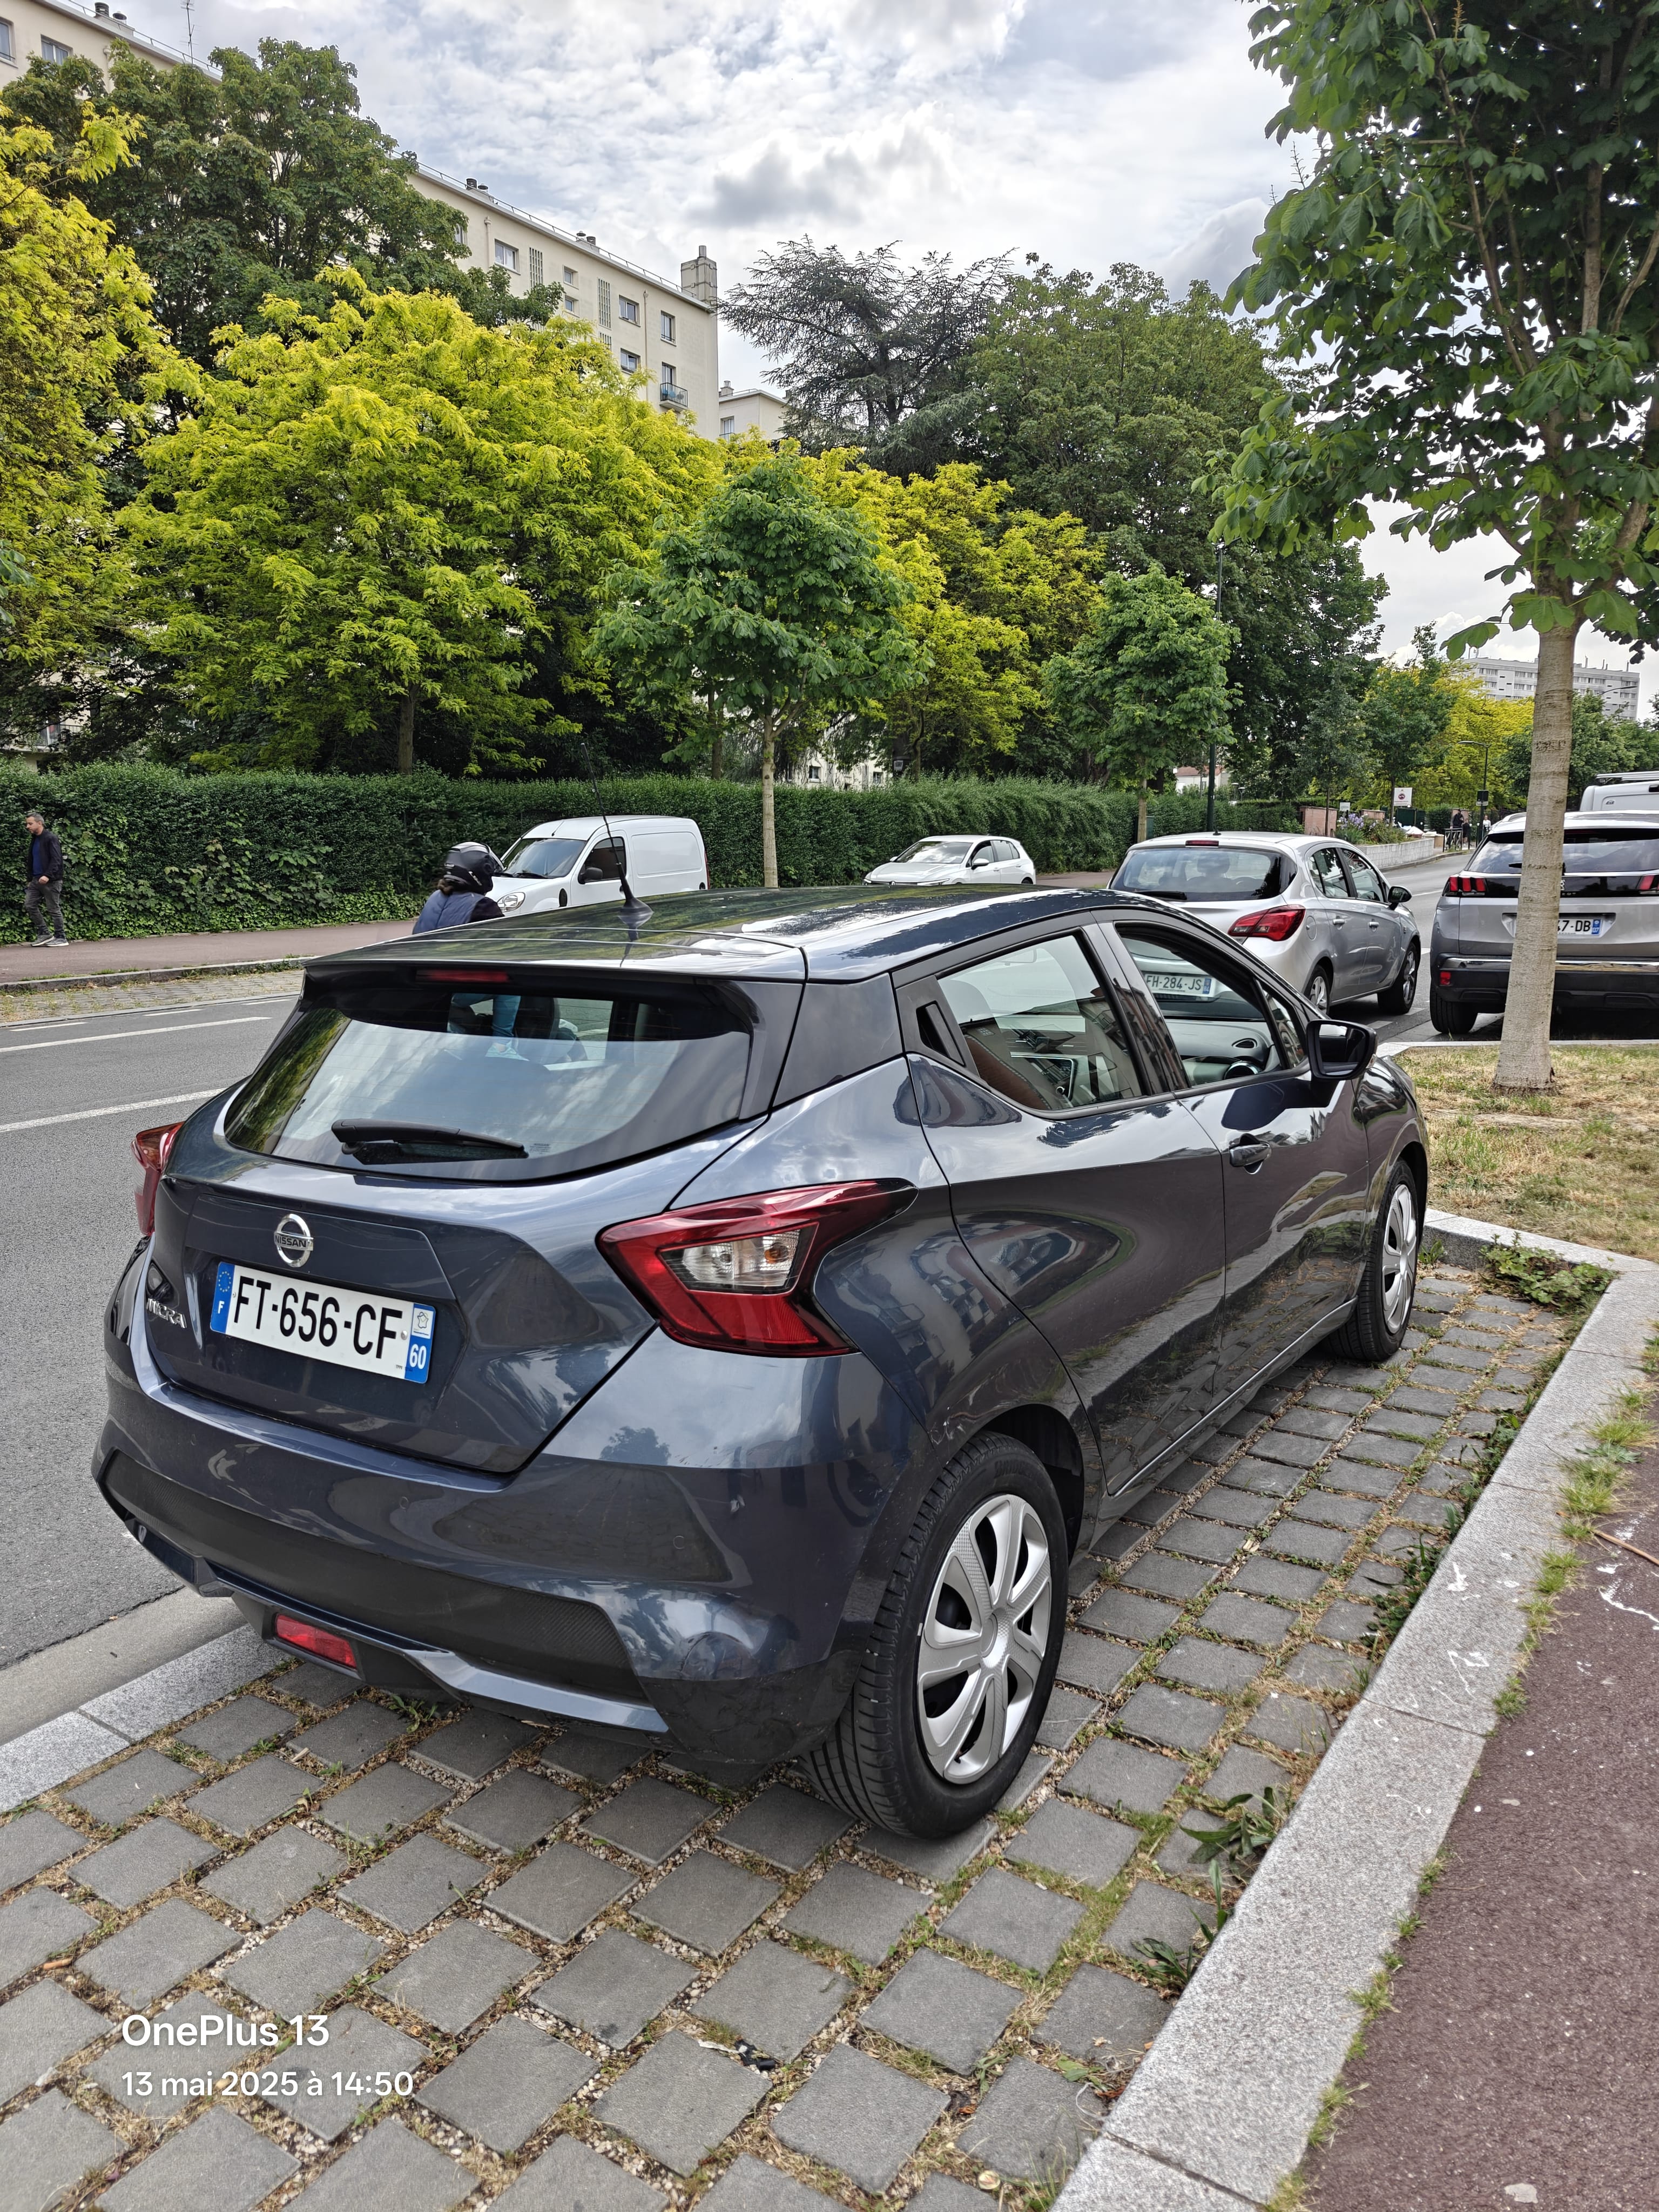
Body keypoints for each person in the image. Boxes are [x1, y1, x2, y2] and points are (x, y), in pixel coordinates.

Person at [412, 843, 505, 935]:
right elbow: (503, 942)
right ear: (481, 871)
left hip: (417, 950)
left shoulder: (435, 897)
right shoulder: (484, 906)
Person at [23, 810, 67, 945]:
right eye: (27, 824)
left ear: (40, 823)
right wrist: (31, 878)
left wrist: (47, 876)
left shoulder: (50, 838)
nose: (28, 827)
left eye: (30, 824)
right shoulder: (35, 839)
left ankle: (61, 938)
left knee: (53, 909)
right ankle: (45, 934)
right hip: (36, 880)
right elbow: (32, 859)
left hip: (51, 881)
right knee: (30, 905)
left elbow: (57, 860)